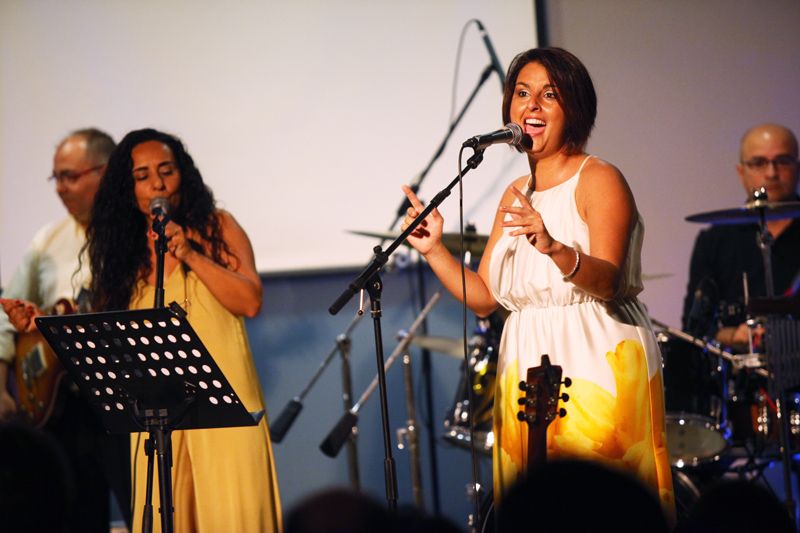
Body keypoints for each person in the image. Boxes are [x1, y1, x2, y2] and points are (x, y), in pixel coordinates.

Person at [400, 47, 674, 515]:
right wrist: (434, 251)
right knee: (537, 508)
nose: (532, 106)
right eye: (522, 93)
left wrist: (553, 247)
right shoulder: (516, 192)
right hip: (527, 362)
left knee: (598, 504)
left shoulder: (600, 178)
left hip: (594, 354)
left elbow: (607, 280)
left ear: (576, 108)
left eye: (550, 95)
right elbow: (485, 299)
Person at [85, 128, 281, 532]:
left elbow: (250, 301)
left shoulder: (217, 227)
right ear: (128, 188)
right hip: (158, 420)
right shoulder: (124, 256)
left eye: (166, 171)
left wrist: (190, 250)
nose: (157, 183)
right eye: (142, 176)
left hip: (225, 414)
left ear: (183, 175)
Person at [0, 128, 130, 532]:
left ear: (106, 173)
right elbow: (7, 317)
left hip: (124, 401)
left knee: (143, 509)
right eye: (55, 177)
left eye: (70, 176)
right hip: (63, 407)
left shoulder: (137, 236)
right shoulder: (47, 240)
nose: (60, 188)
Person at [681, 124, 800, 351]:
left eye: (783, 161)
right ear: (741, 171)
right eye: (758, 163)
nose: (771, 173)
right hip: (743, 375)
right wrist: (734, 334)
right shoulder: (714, 241)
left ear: (798, 167)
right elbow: (693, 326)